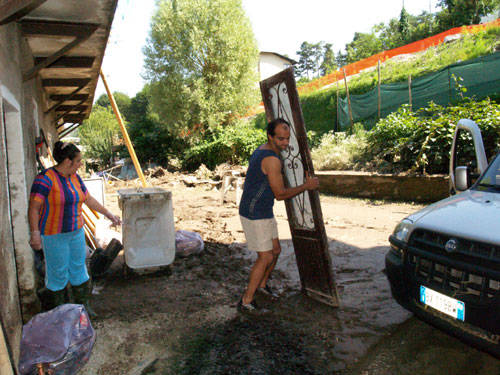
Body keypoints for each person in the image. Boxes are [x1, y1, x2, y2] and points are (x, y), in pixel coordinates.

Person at [28, 141, 121, 317]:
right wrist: (35, 234)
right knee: (58, 274)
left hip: (76, 232)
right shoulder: (45, 179)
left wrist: (109, 214)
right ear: (67, 161)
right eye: (78, 161)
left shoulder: (75, 178)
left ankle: (82, 309)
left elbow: (88, 199)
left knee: (79, 269)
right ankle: (61, 313)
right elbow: (33, 208)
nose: (80, 165)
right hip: (54, 234)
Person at [238, 118, 319, 313]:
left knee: (275, 250)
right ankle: (246, 301)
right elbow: (280, 194)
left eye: (287, 139)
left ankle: (262, 286)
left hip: (263, 209)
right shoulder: (271, 160)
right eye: (281, 139)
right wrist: (306, 186)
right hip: (254, 212)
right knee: (265, 257)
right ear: (270, 136)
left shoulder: (265, 149)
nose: (285, 143)